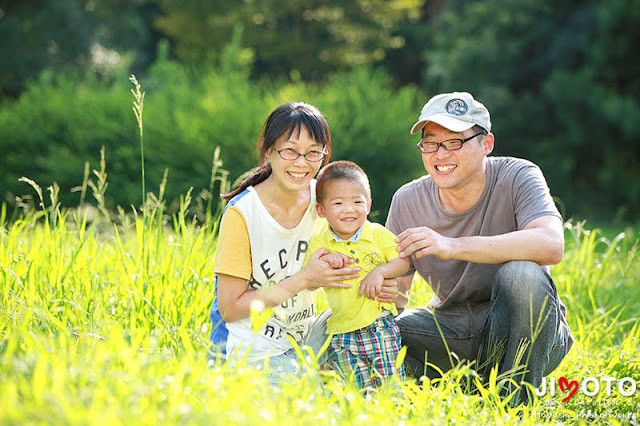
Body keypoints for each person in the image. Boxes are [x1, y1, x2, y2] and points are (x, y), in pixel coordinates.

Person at [386, 92, 574, 404]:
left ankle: (514, 402)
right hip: (452, 329)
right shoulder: (407, 199)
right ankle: (443, 391)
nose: (440, 154)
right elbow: (397, 294)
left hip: (522, 328)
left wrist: (452, 246)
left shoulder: (517, 175)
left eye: (454, 142)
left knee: (522, 275)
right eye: (430, 143)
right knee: (387, 331)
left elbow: (551, 244)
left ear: (486, 144)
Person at [208, 102, 397, 382]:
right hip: (249, 348)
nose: (301, 163)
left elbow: (361, 249)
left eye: (312, 153)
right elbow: (230, 308)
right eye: (290, 151)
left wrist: (380, 282)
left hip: (306, 338)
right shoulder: (243, 213)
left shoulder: (324, 199)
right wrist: (306, 280)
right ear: (267, 150)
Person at [303, 161, 409, 390]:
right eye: (338, 203)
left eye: (357, 202)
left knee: (390, 385)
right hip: (342, 333)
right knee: (360, 389)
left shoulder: (378, 234)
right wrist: (325, 262)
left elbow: (403, 262)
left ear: (368, 204)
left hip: (379, 326)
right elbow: (309, 280)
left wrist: (380, 272)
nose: (349, 209)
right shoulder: (320, 245)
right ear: (321, 210)